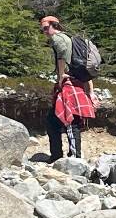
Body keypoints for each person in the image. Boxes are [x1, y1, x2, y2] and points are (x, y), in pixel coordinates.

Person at [40, 16, 98, 161]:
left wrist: (60, 79)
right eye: (42, 29)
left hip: (67, 84)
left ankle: (73, 157)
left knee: (70, 121)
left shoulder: (57, 39)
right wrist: (90, 91)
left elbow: (61, 59)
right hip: (77, 82)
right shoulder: (69, 38)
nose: (45, 32)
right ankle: (61, 155)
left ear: (55, 25)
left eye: (46, 28)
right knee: (55, 121)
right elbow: (85, 70)